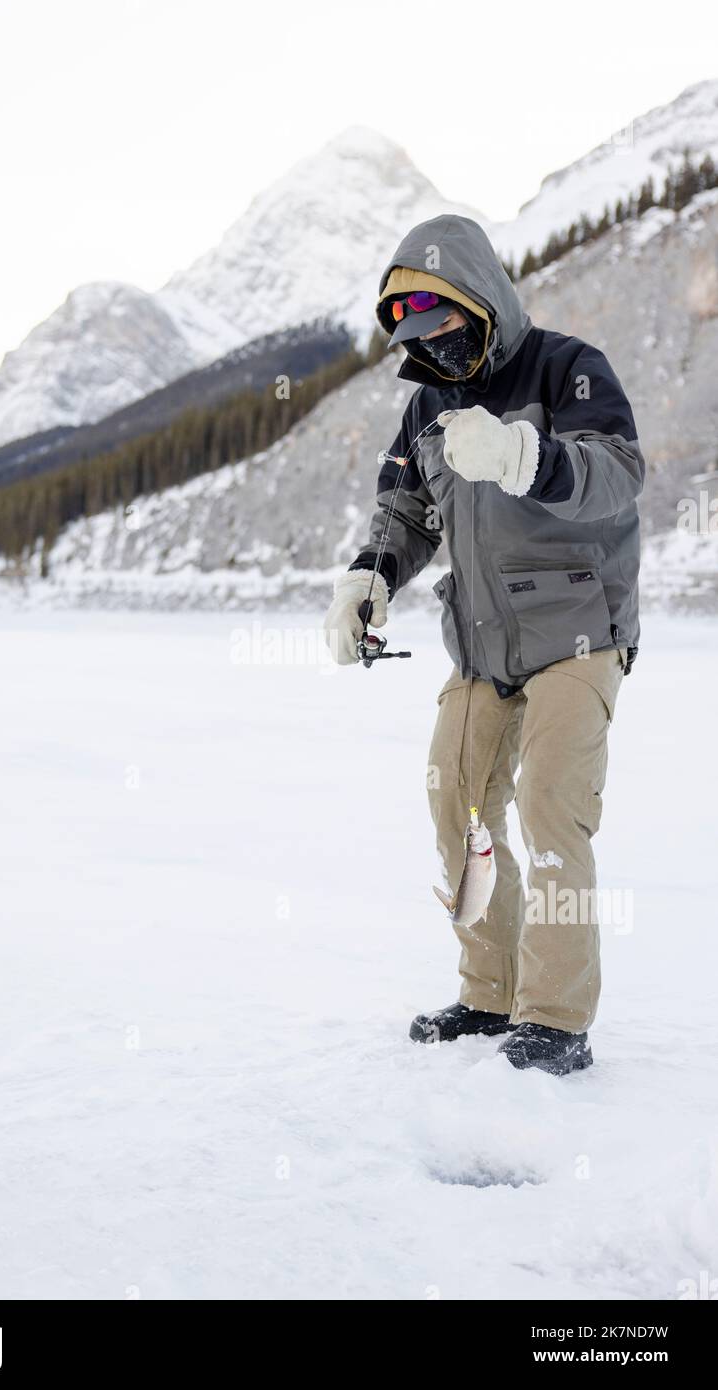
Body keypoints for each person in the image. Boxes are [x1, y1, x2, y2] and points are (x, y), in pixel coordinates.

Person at [323, 214, 644, 1076]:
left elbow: (617, 472)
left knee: (550, 807)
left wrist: (520, 457)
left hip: (577, 630)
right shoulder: (425, 405)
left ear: (480, 305)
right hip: (480, 642)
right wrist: (371, 578)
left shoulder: (567, 369)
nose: (437, 348)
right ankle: (489, 994)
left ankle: (555, 1018)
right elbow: (405, 512)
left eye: (448, 328)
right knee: (457, 806)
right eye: (417, 335)